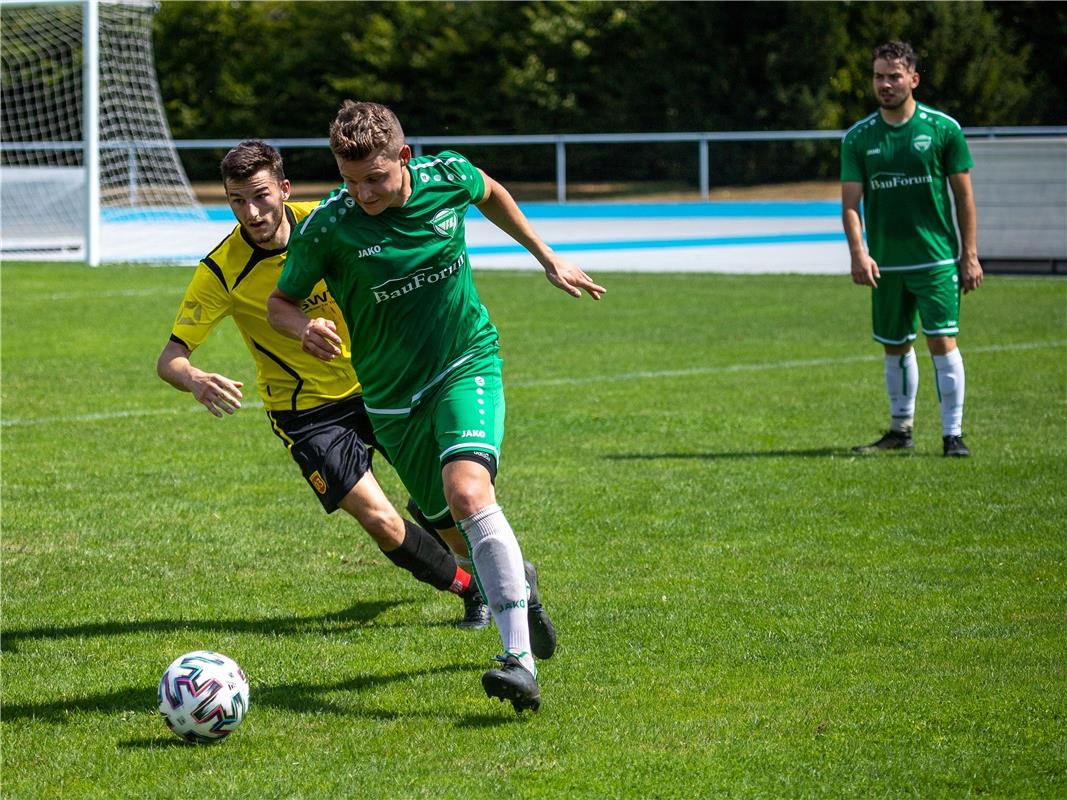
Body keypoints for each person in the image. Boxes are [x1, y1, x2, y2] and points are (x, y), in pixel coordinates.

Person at [268, 101, 605, 713]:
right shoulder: (328, 227)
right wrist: (306, 327)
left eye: (375, 178)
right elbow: (280, 304)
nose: (363, 193)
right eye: (349, 181)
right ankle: (518, 582)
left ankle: (518, 662)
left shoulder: (445, 177)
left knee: (470, 494)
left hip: (464, 362)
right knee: (450, 531)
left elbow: (492, 191)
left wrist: (546, 255)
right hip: (392, 400)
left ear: (404, 157)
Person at [156, 139, 489, 628]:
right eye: (237, 201)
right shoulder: (220, 270)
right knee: (379, 520)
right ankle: (471, 591)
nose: (251, 212)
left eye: (261, 196)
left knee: (444, 504)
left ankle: (477, 562)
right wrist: (195, 378)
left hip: (380, 385)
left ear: (284, 189)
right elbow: (170, 358)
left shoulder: (330, 224)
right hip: (307, 412)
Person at [841, 41, 983, 457]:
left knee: (942, 342)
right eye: (878, 76)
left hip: (936, 259)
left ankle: (952, 435)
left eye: (894, 76)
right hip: (885, 264)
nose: (884, 84)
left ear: (913, 79)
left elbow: (965, 198)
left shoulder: (943, 129)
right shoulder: (858, 138)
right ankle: (900, 431)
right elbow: (850, 204)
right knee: (895, 345)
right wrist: (858, 252)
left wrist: (969, 254)